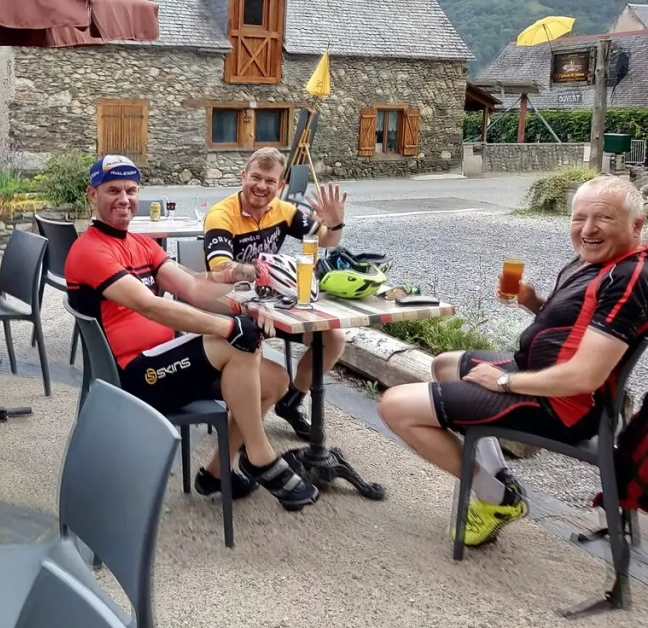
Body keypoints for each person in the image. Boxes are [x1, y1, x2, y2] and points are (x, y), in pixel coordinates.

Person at [379, 175, 648, 548]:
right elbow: (578, 326)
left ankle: (497, 499)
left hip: (563, 404)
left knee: (395, 406)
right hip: (540, 376)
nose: (587, 229)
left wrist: (503, 382)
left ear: (637, 225)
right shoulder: (605, 261)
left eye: (603, 218)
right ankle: (500, 480)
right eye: (579, 217)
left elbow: (586, 375)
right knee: (445, 364)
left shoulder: (630, 277)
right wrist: (533, 302)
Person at [65, 155, 319, 510]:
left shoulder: (140, 244)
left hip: (167, 361)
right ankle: (260, 457)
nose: (124, 199)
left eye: (131, 190)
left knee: (275, 380)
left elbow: (194, 288)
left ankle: (216, 473)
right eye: (112, 190)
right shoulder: (90, 250)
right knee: (235, 345)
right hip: (133, 375)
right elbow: (153, 306)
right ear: (93, 194)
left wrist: (246, 289)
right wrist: (229, 326)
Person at [204, 147, 348, 440]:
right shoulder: (221, 213)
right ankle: (241, 439)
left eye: (270, 181)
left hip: (273, 304)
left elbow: (326, 241)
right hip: (233, 304)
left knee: (333, 338)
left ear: (280, 185)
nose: (261, 186)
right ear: (243, 176)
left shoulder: (285, 211)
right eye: (255, 177)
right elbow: (219, 267)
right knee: (251, 344)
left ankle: (292, 401)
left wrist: (335, 223)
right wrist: (261, 274)